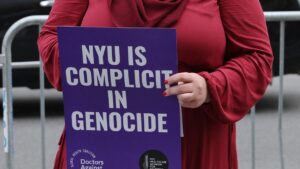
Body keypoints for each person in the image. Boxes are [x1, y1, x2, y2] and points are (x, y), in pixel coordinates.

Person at [37, 0, 273, 169]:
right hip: (101, 140)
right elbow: (50, 37)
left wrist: (210, 87)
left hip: (193, 143)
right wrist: (87, 64)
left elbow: (257, 58)